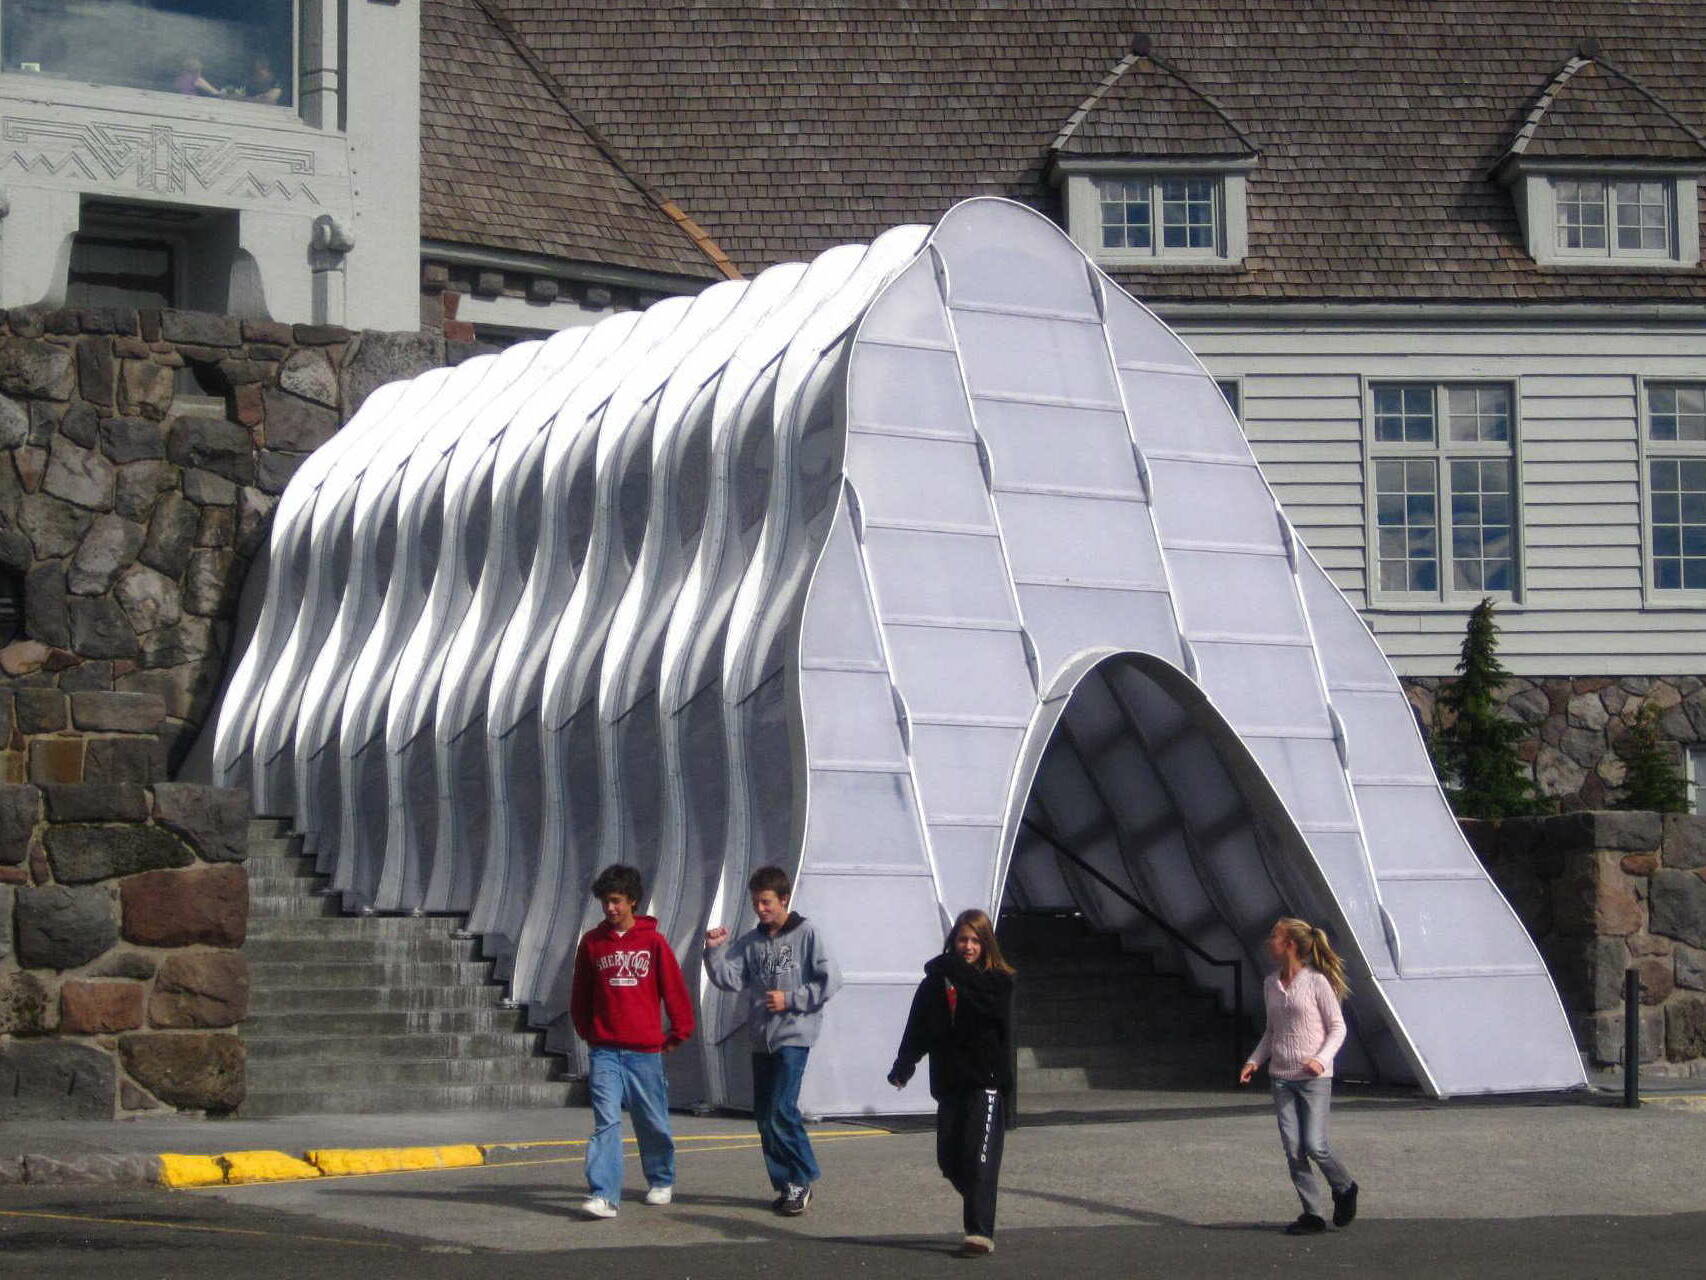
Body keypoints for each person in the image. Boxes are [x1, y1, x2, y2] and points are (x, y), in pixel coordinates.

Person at [703, 865, 842, 1216]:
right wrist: (714, 951)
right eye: (756, 903)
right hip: (761, 1038)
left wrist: (792, 999)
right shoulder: (752, 942)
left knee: (782, 1108)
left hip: (793, 1035)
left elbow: (831, 980)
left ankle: (802, 1176)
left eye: (766, 902)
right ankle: (787, 1184)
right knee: (765, 1116)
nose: (760, 909)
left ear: (784, 900)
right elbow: (729, 979)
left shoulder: (807, 933)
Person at [887, 908, 1016, 1258]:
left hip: (986, 1082)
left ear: (986, 944)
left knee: (981, 1160)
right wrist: (904, 1065)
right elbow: (918, 1026)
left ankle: (979, 1231)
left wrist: (948, 967)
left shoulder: (997, 982)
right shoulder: (936, 983)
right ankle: (980, 1199)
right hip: (950, 1081)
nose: (968, 946)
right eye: (963, 939)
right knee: (950, 1160)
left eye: (976, 940)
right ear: (953, 941)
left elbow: (992, 1018)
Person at [568, 863, 695, 1220]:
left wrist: (678, 1031)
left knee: (651, 1120)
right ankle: (604, 1194)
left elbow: (674, 990)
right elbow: (581, 994)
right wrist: (587, 1031)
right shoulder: (592, 943)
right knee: (606, 1121)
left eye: (616, 901)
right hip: (605, 1049)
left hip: (644, 1051)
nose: (610, 909)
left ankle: (660, 1178)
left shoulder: (653, 942)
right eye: (605, 902)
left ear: (633, 901)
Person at [1238, 916, 1359, 1236]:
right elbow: (1273, 1031)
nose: (1269, 942)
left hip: (1314, 1078)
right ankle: (1312, 1214)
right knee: (1293, 1149)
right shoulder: (1270, 983)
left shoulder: (1316, 982)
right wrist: (1255, 1060)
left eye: (1274, 937)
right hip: (1282, 1077)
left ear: (1289, 944)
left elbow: (1338, 1027)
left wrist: (1321, 1060)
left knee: (1315, 1144)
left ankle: (1345, 1187)